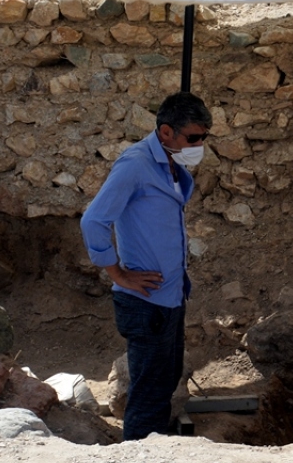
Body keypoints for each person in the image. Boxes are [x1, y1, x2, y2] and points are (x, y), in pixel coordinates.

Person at [80, 92, 213, 440]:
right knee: (148, 396)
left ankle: (155, 452)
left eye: (204, 137)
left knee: (165, 382)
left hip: (170, 297)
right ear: (166, 132)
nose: (199, 144)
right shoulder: (135, 164)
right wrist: (118, 273)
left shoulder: (169, 162)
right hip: (145, 302)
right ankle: (139, 462)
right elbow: (93, 221)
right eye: (193, 138)